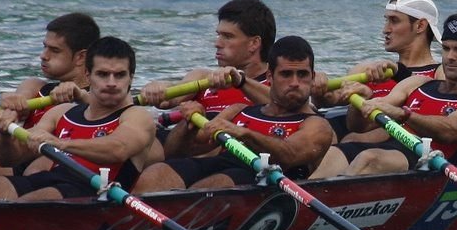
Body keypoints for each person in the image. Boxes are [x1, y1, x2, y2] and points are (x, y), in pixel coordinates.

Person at [132, 35, 334, 192]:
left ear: (313, 77)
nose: (295, 83)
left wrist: (245, 134)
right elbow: (176, 152)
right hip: (220, 166)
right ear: (271, 76)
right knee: (157, 172)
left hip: (266, 182)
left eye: (303, 74)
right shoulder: (239, 111)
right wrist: (188, 124)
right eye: (286, 74)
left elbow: (289, 155)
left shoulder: (316, 125)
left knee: (218, 183)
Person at [313, 12, 457, 177]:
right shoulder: (417, 83)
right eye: (446, 48)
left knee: (370, 158)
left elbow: (451, 130)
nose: (450, 56)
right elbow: (359, 126)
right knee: (334, 153)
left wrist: (404, 115)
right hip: (392, 154)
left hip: (432, 166)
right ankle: (298, 205)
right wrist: (360, 101)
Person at [0, 36, 157, 200]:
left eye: (119, 75)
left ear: (131, 78)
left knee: (38, 198)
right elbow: (9, 160)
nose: (111, 83)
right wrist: (5, 134)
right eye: (102, 74)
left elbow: (118, 149)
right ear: (88, 75)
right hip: (51, 182)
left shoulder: (137, 116)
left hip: (96, 194)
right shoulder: (62, 112)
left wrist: (60, 143)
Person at [0, 11, 99, 183]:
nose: (43, 55)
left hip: (55, 166)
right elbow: (21, 96)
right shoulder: (34, 87)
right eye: (45, 47)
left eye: (54, 50)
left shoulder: (98, 99)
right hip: (14, 158)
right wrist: (11, 103)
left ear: (81, 57)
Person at [138, 0, 275, 114]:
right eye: (218, 35)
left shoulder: (281, 83)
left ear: (254, 43)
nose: (217, 43)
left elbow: (284, 106)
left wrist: (241, 82)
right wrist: (158, 88)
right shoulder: (202, 77)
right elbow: (168, 100)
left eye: (228, 36)